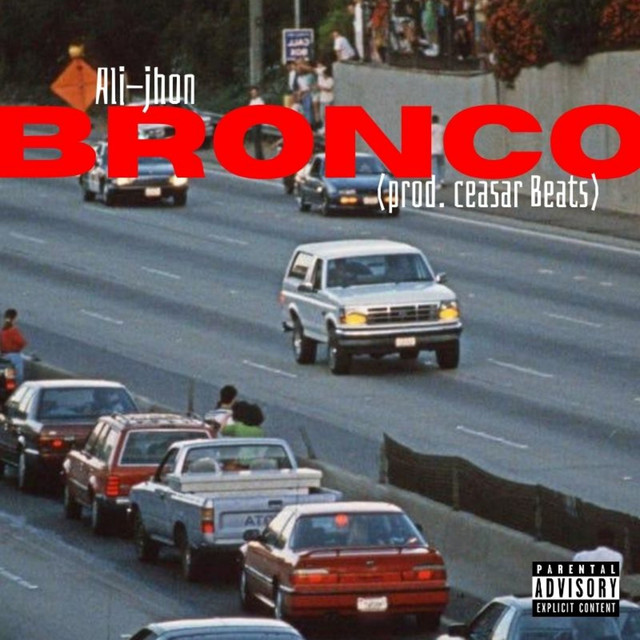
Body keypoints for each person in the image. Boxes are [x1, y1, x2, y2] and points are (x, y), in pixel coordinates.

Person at [0, 308, 27, 384]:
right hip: (14, 356)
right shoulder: (13, 331)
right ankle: (18, 387)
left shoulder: (2, 331)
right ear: (14, 318)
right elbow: (22, 342)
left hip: (4, 356)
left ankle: (9, 384)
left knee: (9, 374)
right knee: (19, 375)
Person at [315, 62, 334, 132]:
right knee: (322, 114)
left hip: (328, 99)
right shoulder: (322, 79)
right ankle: (324, 127)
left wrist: (320, 87)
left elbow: (329, 89)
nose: (323, 75)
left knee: (326, 115)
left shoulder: (331, 80)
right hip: (322, 99)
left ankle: (327, 128)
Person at [247, 86, 265, 160]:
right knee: (255, 141)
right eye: (252, 93)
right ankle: (259, 157)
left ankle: (259, 158)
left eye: (254, 92)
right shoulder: (252, 101)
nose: (253, 94)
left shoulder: (260, 101)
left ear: (257, 93)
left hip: (257, 123)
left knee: (257, 141)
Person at [431, 114, 446, 189]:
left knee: (434, 167)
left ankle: (437, 183)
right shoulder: (442, 128)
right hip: (441, 150)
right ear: (438, 120)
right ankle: (442, 180)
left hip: (432, 150)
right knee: (441, 166)